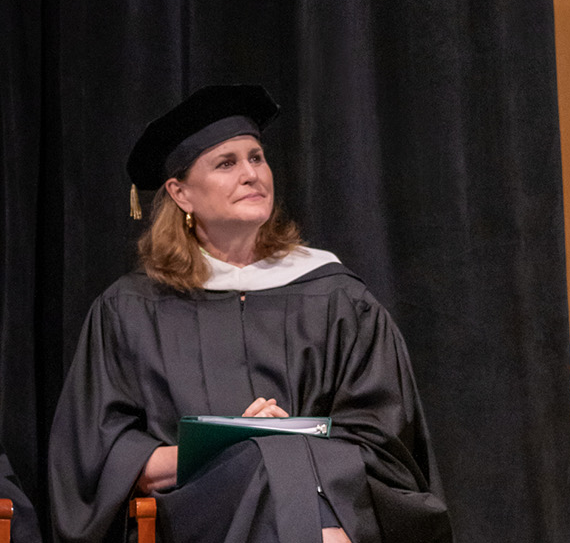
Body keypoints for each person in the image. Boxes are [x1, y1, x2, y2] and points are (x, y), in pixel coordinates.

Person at [47, 85, 451, 543]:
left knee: (282, 467)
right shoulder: (131, 311)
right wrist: (236, 444)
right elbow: (102, 459)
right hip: (197, 515)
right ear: (181, 193)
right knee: (266, 463)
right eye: (227, 163)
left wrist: (292, 448)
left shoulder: (335, 295)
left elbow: (385, 445)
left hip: (330, 499)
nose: (251, 174)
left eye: (256, 157)